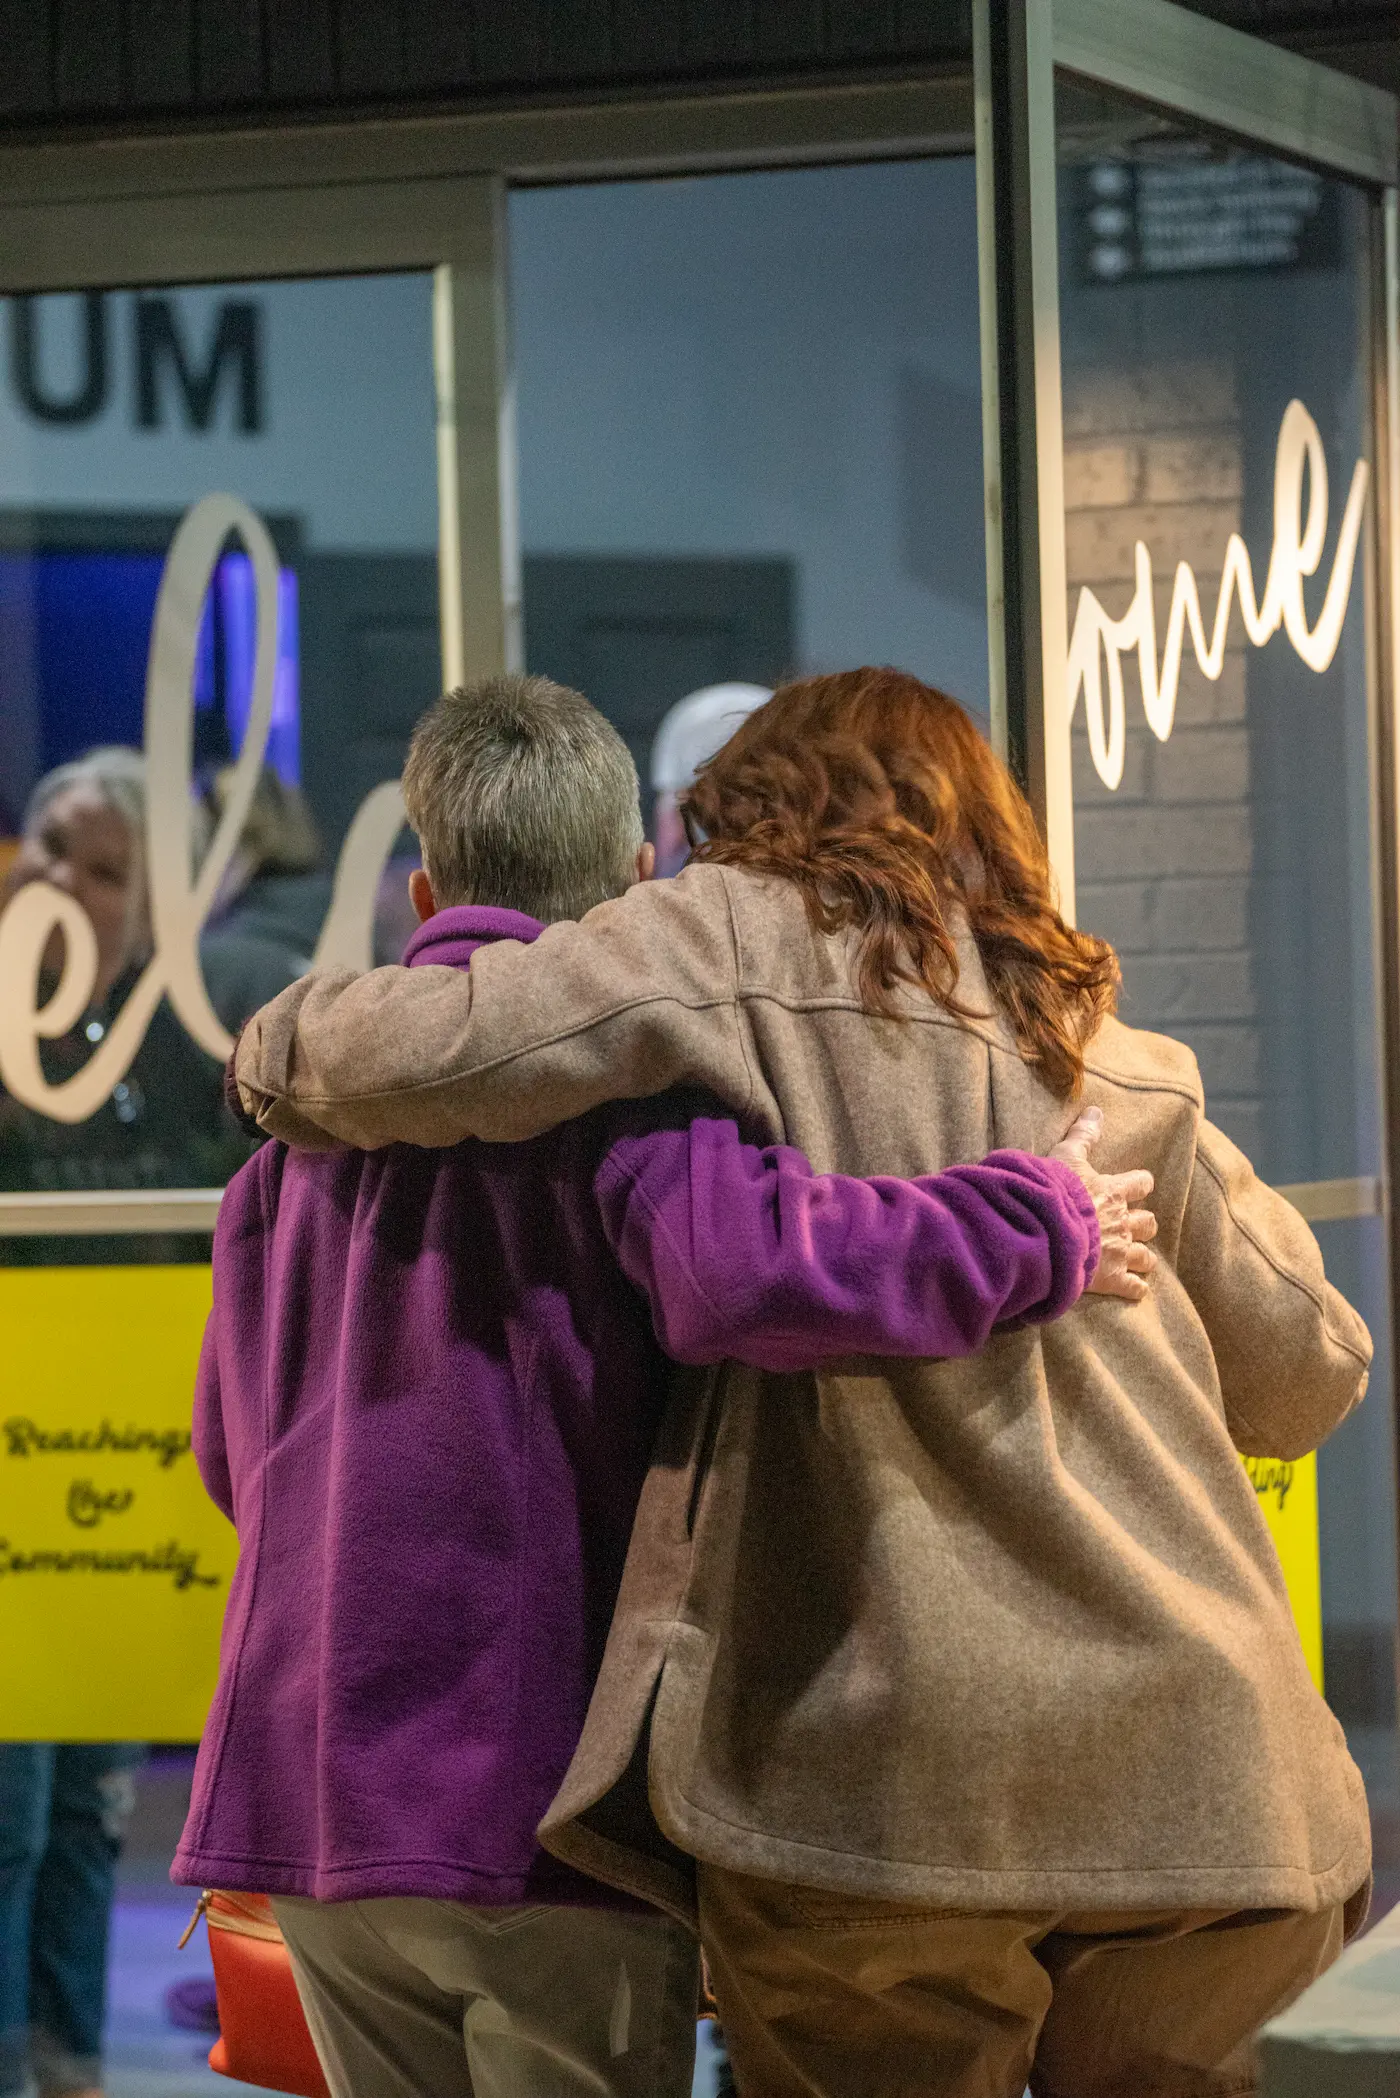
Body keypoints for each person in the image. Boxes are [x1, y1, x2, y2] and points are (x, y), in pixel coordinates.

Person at [233, 666, 1374, 2098]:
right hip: (1208, 1775)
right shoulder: (1113, 1057)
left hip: (879, 1783)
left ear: (741, 819)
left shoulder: (708, 949)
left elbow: (458, 1032)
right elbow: (1314, 1373)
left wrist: (277, 1047)